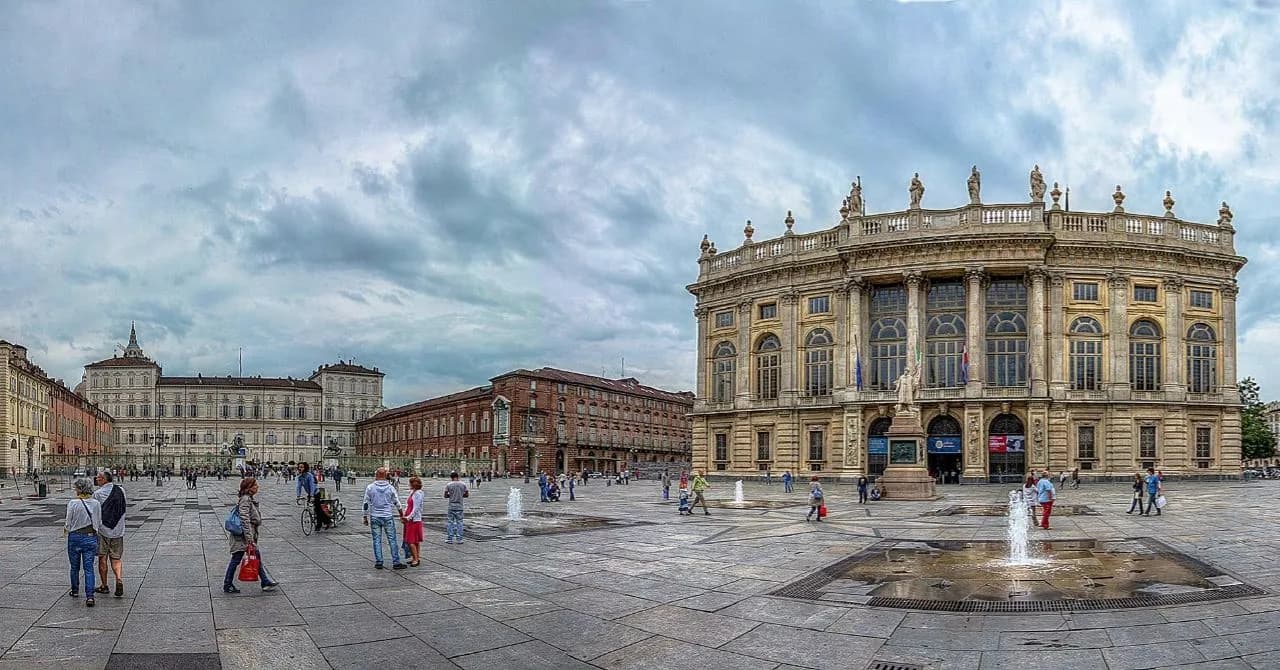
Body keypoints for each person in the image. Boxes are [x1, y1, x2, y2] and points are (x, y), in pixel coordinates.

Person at [223, 477, 278, 593]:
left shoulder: (248, 499)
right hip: (242, 537)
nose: (257, 487)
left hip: (246, 535)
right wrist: (249, 539)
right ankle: (227, 584)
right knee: (236, 559)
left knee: (256, 557)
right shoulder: (245, 499)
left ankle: (265, 581)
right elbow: (244, 518)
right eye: (255, 485)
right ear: (249, 488)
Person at [64, 478, 102, 607]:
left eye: (76, 488)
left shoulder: (73, 503)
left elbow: (68, 522)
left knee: (74, 567)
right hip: (90, 537)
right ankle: (90, 596)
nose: (75, 490)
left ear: (80, 489)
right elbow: (98, 522)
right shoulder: (96, 503)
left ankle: (75, 590)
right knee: (89, 568)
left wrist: (68, 529)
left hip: (74, 537)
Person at [91, 472, 127, 598]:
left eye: (98, 478)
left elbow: (94, 512)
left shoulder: (97, 494)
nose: (96, 480)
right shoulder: (121, 490)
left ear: (103, 480)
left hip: (103, 530)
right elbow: (123, 508)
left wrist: (93, 528)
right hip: (118, 530)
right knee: (116, 558)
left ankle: (104, 585)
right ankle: (118, 579)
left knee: (102, 558)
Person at [362, 468, 406, 569]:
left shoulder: (370, 487)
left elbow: (365, 503)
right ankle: (396, 562)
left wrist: (365, 516)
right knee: (392, 540)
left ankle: (379, 561)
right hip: (387, 516)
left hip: (375, 516)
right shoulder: (390, 488)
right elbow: (397, 503)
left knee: (376, 540)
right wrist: (401, 514)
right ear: (385, 475)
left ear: (376, 475)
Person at [296, 463, 330, 531]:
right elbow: (298, 487)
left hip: (316, 493)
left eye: (302, 467)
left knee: (318, 509)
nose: (300, 468)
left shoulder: (309, 476)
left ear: (305, 468)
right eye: (299, 467)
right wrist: (298, 496)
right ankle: (324, 520)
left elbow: (312, 486)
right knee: (311, 507)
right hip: (309, 494)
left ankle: (320, 524)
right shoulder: (300, 477)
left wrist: (312, 495)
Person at [401, 476, 424, 567]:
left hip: (414, 520)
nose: (408, 484)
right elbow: (408, 505)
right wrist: (404, 514)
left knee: (411, 541)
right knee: (415, 541)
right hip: (410, 519)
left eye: (410, 483)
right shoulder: (413, 492)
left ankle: (415, 559)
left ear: (413, 484)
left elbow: (416, 508)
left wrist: (408, 517)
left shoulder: (418, 494)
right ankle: (416, 557)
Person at [443, 471, 469, 544]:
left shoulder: (449, 485)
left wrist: (451, 496)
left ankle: (449, 538)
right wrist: (460, 496)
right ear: (458, 477)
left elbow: (445, 495)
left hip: (451, 506)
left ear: (451, 478)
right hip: (460, 506)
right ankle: (459, 539)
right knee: (460, 522)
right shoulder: (463, 484)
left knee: (450, 522)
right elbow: (467, 495)